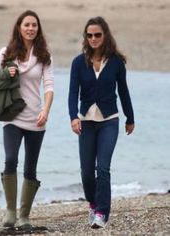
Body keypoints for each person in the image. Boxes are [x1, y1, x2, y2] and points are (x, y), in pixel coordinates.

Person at [68, 16, 134, 229]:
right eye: (89, 35)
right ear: (85, 38)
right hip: (86, 122)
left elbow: (123, 92)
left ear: (105, 35)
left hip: (109, 121)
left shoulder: (116, 62)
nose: (94, 38)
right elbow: (72, 94)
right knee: (86, 173)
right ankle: (94, 203)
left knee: (102, 168)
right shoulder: (78, 63)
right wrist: (73, 117)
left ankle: (102, 213)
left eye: (97, 34)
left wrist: (130, 118)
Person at [0, 10, 54, 229]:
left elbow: (49, 86)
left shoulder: (44, 55)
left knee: (30, 167)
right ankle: (10, 211)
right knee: (10, 159)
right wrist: (9, 74)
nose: (30, 28)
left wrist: (45, 110)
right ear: (19, 27)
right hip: (13, 117)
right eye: (26, 24)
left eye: (34, 25)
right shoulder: (6, 53)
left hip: (37, 117)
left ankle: (24, 215)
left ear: (38, 28)